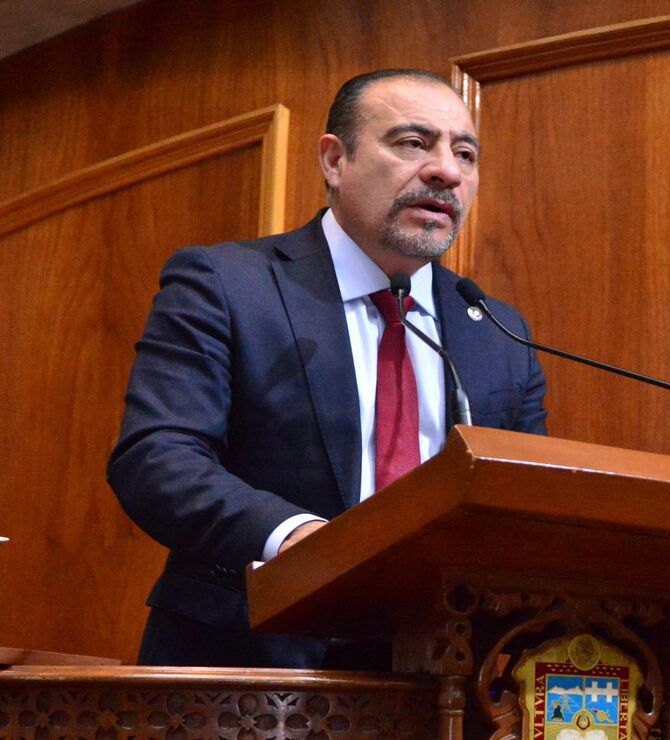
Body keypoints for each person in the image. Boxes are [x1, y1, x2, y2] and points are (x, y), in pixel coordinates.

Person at [107, 69, 548, 669]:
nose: (447, 171)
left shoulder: (497, 331)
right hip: (249, 666)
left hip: (437, 678)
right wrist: (302, 541)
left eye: (464, 153)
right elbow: (158, 458)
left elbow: (526, 506)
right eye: (413, 143)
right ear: (334, 161)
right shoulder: (228, 285)